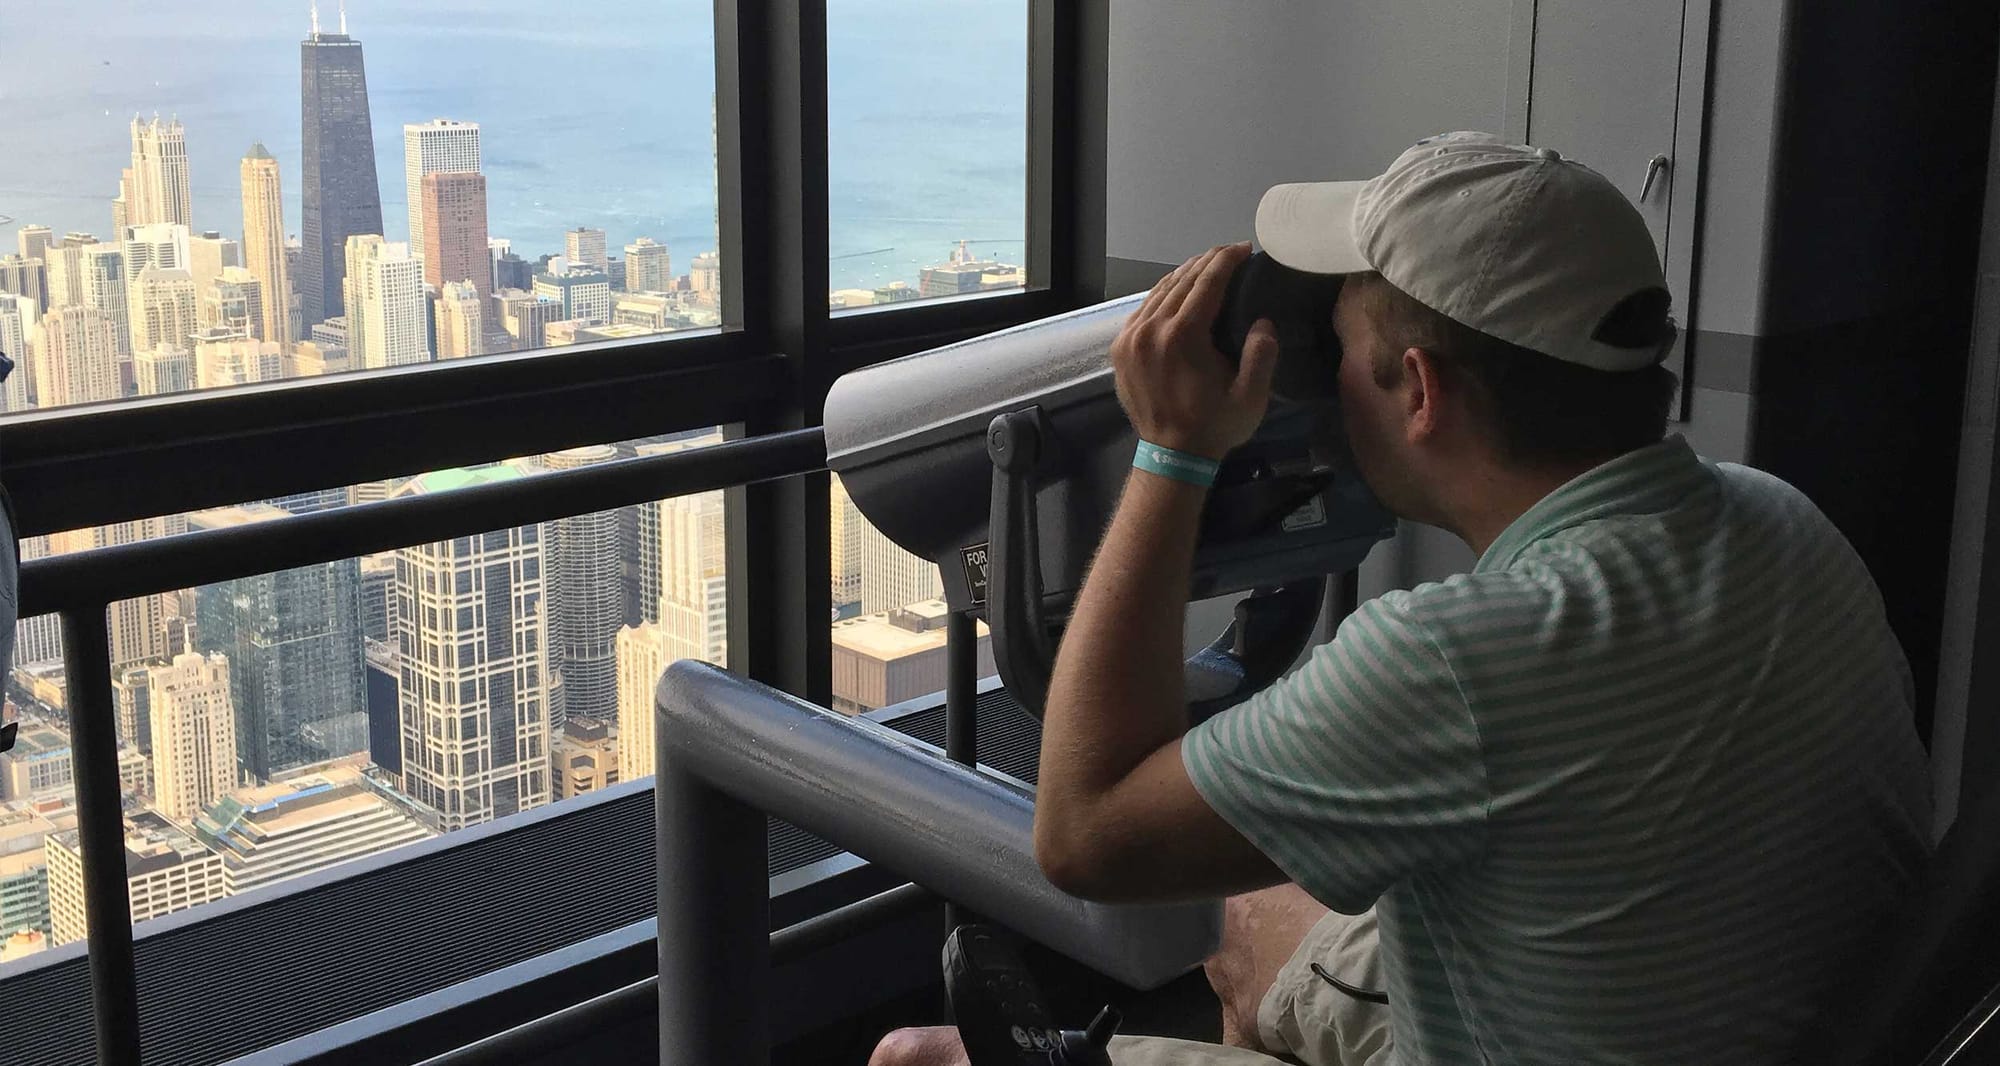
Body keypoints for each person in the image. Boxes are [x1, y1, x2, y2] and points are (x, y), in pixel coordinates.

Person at [869, 131, 1933, 1065]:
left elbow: (1083, 835)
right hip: (1741, 1009)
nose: (1325, 375)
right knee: (1250, 907)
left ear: (1419, 393)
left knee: (915, 1059)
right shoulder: (1783, 521)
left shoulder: (1454, 660)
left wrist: (1172, 453)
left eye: (1345, 347)